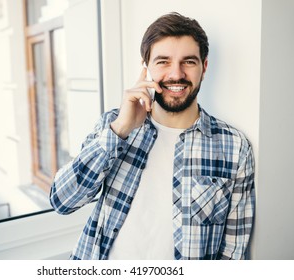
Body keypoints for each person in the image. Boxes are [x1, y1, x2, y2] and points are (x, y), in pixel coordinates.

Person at [50, 12, 255, 260]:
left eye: (188, 61)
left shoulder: (234, 147)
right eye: (163, 61)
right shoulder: (112, 125)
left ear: (204, 68)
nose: (176, 74)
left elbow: (233, 253)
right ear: (146, 69)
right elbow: (62, 201)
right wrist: (120, 130)